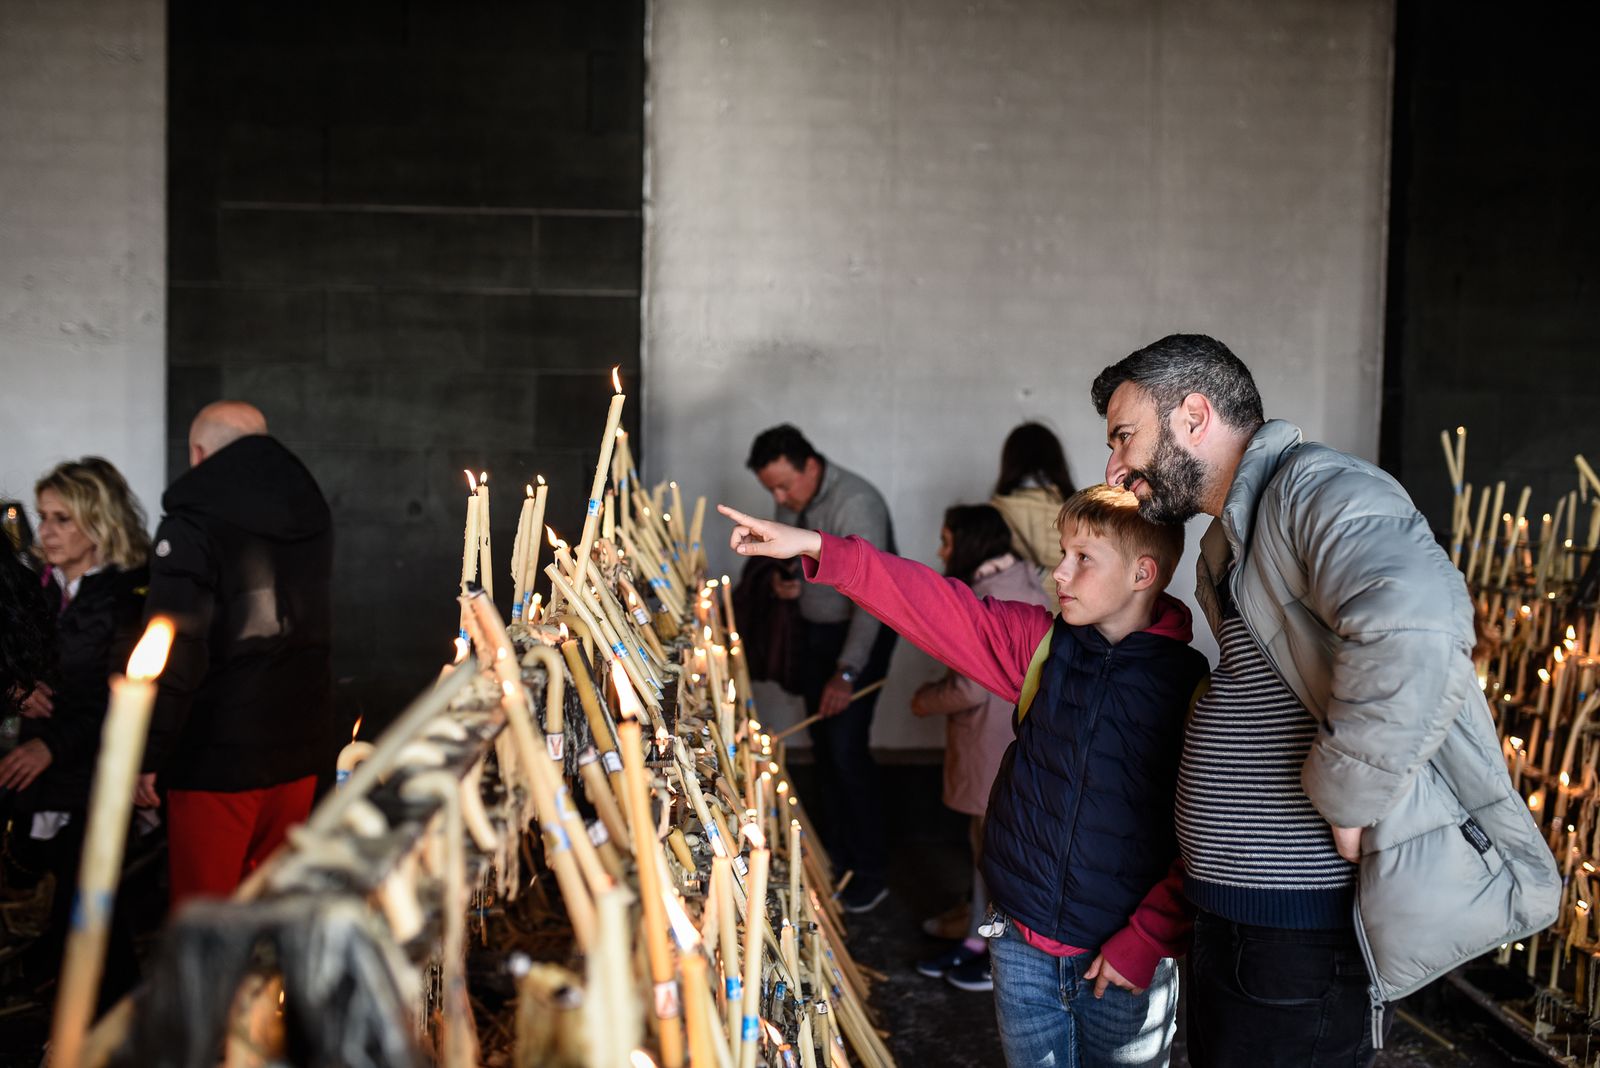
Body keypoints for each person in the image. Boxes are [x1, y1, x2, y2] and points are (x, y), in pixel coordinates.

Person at [1092, 334, 1559, 1066]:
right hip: (1239, 919)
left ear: (1193, 415)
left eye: (1125, 436)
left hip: (1298, 936)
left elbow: (1417, 627)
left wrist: (1349, 796)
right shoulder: (1240, 530)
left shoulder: (1321, 488)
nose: (1115, 468)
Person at [720, 485, 1208, 1067]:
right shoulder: (1042, 647)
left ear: (1142, 573)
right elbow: (933, 603)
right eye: (1063, 553)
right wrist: (818, 547)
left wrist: (1148, 939)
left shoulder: (1189, 689)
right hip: (1021, 945)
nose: (1059, 573)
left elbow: (1204, 837)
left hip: (1123, 962)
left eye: (1083, 558)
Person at [138, 401, 335, 908]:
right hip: (299, 746)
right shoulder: (310, 512)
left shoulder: (192, 524)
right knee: (270, 913)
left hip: (215, 757)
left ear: (198, 454)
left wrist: (148, 754)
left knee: (206, 921)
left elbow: (175, 649)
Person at [0, 458, 149, 1005]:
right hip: (47, 776)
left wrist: (51, 744)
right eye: (43, 517)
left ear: (99, 520)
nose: (47, 531)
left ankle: (110, 1018)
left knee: (90, 913)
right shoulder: (45, 588)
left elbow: (124, 697)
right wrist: (16, 688)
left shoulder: (127, 598)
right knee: (67, 908)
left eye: (62, 519)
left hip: (96, 775)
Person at [744, 424, 897, 912]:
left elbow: (874, 600)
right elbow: (796, 560)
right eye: (771, 490)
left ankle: (870, 871)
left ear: (810, 465)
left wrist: (847, 673)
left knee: (847, 751)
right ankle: (835, 859)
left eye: (784, 486)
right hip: (816, 632)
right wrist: (788, 584)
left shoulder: (857, 503)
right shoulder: (791, 496)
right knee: (825, 749)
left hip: (859, 637)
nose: (780, 499)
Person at [910, 504, 1052, 993]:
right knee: (989, 849)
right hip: (1008, 737)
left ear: (970, 543)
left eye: (947, 540)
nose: (940, 551)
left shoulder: (987, 598)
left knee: (992, 852)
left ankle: (996, 954)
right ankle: (978, 939)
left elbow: (968, 688)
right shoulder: (1022, 584)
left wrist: (925, 699)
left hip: (990, 742)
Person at [990, 422, 1076, 577]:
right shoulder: (1080, 509)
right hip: (1072, 591)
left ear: (1010, 462)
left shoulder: (995, 512)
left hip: (1020, 592)